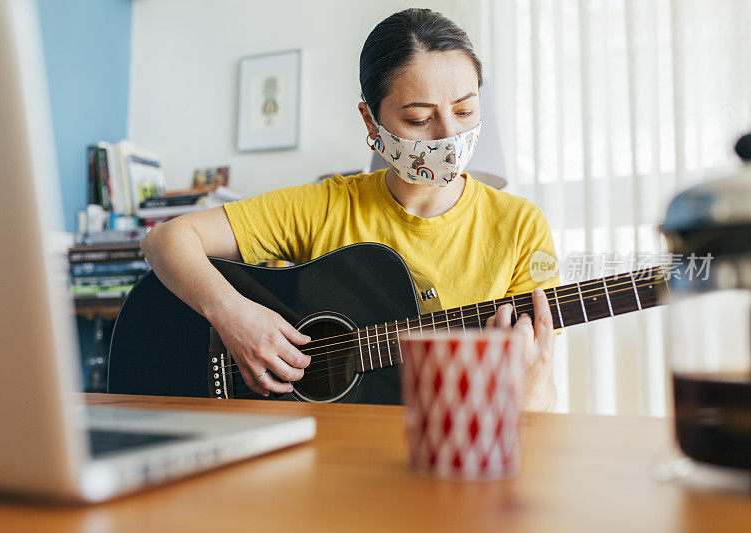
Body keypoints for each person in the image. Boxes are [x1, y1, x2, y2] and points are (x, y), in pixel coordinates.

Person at [140, 8, 560, 411]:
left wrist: (533, 388)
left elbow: (536, 400)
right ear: (370, 121)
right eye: (418, 119)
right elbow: (165, 240)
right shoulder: (326, 205)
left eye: (465, 110)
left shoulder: (521, 226)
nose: (450, 135)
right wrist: (233, 316)